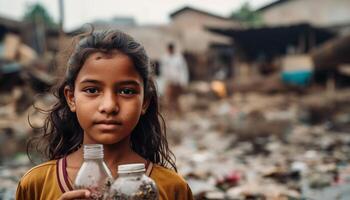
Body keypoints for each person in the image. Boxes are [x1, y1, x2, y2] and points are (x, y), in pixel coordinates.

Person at [16, 29, 194, 200]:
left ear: (145, 102)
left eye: (126, 91)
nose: (109, 106)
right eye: (92, 90)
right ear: (71, 98)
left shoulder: (172, 188)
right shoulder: (35, 185)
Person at [160, 43, 189, 114]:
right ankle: (170, 112)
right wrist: (164, 81)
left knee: (177, 98)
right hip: (169, 81)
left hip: (177, 81)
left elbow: (183, 70)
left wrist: (183, 81)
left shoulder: (178, 58)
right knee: (169, 98)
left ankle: (178, 112)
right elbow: (163, 70)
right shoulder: (164, 58)